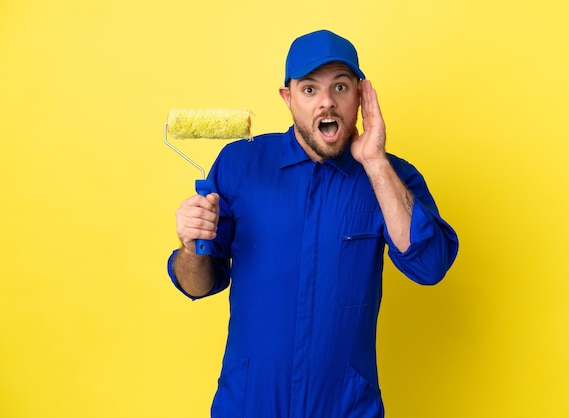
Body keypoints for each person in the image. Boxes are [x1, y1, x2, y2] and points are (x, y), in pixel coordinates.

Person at [167, 29, 459, 418]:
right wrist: (191, 247)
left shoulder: (389, 177)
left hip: (345, 406)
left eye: (340, 86)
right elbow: (197, 285)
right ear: (287, 98)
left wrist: (374, 162)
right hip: (249, 404)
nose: (326, 103)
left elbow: (431, 265)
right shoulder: (240, 164)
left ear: (361, 94)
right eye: (309, 90)